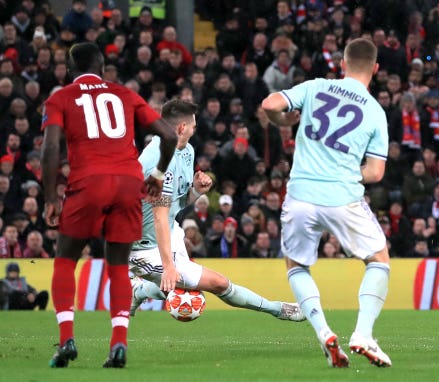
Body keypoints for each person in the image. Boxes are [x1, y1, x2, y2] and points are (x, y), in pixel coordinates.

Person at [41, 42, 178, 369]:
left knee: (65, 260)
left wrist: (49, 198)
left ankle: (66, 340)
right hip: (129, 184)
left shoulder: (60, 97)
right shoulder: (125, 94)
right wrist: (157, 174)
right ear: (102, 69)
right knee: (118, 265)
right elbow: (169, 137)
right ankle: (118, 345)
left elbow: (50, 148)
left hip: (87, 182)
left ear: (70, 70)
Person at [262, 38, 392, 368]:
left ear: (342, 64)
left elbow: (269, 104)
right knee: (378, 259)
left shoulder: (315, 86)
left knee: (296, 266)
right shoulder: (376, 112)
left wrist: (283, 122)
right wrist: (346, 170)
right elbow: (376, 172)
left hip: (301, 194)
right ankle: (362, 333)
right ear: (375, 69)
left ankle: (323, 331)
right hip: (343, 197)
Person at [128, 99, 305, 325]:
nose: (196, 127)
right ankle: (278, 309)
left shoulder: (186, 150)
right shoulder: (159, 158)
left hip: (167, 231)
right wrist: (169, 266)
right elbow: (159, 215)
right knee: (216, 283)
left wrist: (195, 191)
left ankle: (139, 291)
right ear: (182, 128)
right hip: (141, 246)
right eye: (193, 124)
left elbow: (175, 206)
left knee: (175, 288)